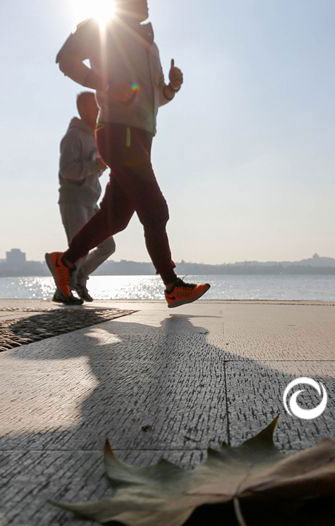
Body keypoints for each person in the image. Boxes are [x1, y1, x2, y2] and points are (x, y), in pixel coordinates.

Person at [46, 0, 210, 308]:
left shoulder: (150, 44)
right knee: (155, 209)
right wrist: (106, 85)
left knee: (117, 218)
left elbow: (154, 98)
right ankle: (172, 285)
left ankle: (65, 262)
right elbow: (66, 60)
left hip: (141, 136)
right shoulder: (101, 28)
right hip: (117, 131)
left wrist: (171, 88)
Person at [55, 92, 115, 304]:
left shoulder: (94, 135)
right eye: (95, 106)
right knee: (78, 250)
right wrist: (95, 166)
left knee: (108, 246)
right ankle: (63, 290)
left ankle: (79, 279)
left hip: (91, 201)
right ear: (83, 109)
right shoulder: (73, 136)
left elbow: (93, 169)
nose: (99, 109)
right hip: (73, 200)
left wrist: (99, 167)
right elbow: (66, 171)